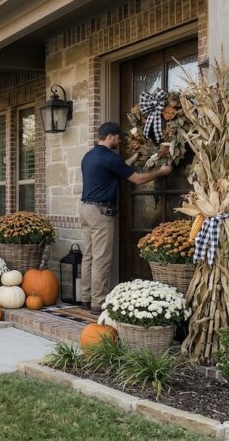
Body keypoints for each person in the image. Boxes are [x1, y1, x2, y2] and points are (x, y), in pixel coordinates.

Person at [80, 121, 172, 315]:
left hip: (86, 209)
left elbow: (118, 169)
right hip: (100, 212)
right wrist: (161, 172)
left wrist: (135, 157)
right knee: (101, 259)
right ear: (111, 136)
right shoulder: (110, 158)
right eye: (119, 137)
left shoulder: (89, 156)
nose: (120, 140)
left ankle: (85, 299)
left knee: (88, 256)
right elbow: (137, 179)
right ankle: (98, 303)